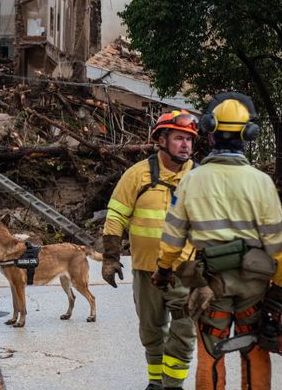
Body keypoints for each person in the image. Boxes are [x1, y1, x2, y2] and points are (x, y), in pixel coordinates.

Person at [154, 92, 282, 390]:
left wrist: (164, 269)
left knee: (210, 352)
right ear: (248, 134)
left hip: (211, 284)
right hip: (254, 285)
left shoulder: (192, 180)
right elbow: (278, 243)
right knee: (255, 350)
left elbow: (172, 237)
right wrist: (278, 284)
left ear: (210, 132)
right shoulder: (261, 182)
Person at [103, 110, 199, 389]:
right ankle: (156, 383)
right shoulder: (137, 175)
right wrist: (110, 257)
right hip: (146, 270)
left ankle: (173, 385)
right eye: (180, 138)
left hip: (186, 271)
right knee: (151, 330)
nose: (186, 145)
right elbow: (116, 216)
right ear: (161, 139)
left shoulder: (200, 177)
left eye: (190, 140)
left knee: (184, 330)